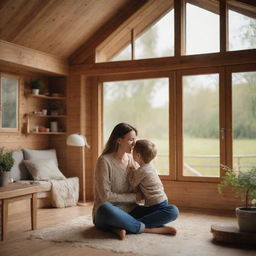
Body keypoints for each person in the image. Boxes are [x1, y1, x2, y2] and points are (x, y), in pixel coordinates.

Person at [93, 123, 179, 240]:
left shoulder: (132, 159)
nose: (135, 144)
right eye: (131, 140)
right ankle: (148, 229)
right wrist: (136, 196)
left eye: (135, 139)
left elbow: (141, 181)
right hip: (110, 212)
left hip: (132, 210)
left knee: (172, 211)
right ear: (119, 140)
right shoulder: (104, 161)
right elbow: (105, 197)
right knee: (105, 208)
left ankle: (123, 227)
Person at [129, 139, 176, 234]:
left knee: (173, 210)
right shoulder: (150, 166)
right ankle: (154, 227)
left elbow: (133, 184)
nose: (131, 153)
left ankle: (136, 226)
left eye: (132, 151)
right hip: (160, 202)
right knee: (171, 211)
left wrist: (131, 171)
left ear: (138, 156)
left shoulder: (141, 171)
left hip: (157, 205)